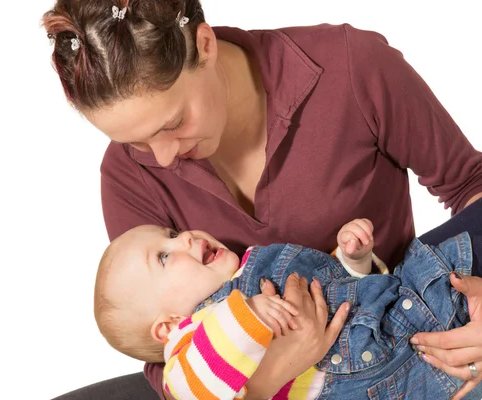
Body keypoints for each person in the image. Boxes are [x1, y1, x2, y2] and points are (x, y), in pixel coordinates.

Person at [41, 0, 482, 398]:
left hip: (417, 324)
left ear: (206, 45)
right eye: (134, 142)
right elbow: (165, 353)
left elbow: (469, 185)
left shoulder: (351, 67)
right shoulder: (127, 176)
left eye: (171, 123)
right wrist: (269, 378)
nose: (163, 156)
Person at [94, 220, 479, 399]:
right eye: (164, 256)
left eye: (172, 234)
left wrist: (353, 259)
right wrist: (250, 316)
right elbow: (199, 387)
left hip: (410, 301)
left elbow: (341, 291)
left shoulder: (254, 264)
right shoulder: (186, 349)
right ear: (167, 327)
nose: (186, 239)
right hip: (391, 380)